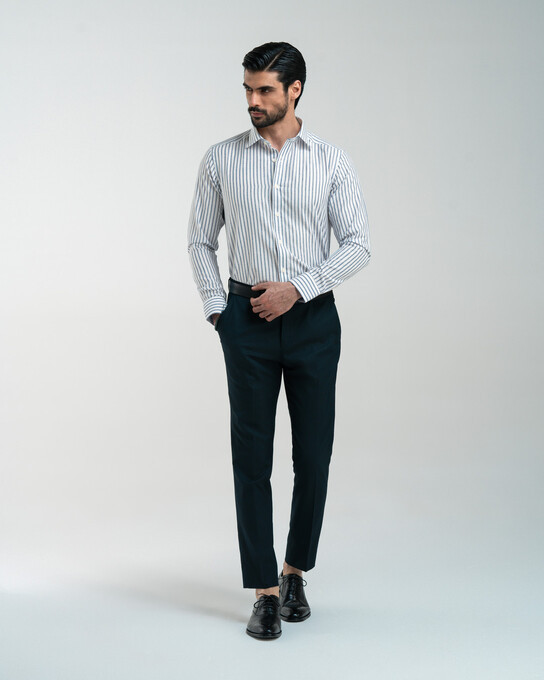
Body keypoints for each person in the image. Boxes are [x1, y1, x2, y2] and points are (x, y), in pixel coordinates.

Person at [187, 41, 371, 640]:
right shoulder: (221, 159)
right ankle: (264, 589)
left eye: (265, 89)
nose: (253, 100)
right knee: (251, 458)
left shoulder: (332, 161)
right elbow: (199, 240)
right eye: (248, 88)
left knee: (313, 455)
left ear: (295, 90)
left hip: (313, 322)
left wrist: (300, 289)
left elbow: (358, 245)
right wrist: (220, 313)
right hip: (246, 324)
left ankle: (295, 572)